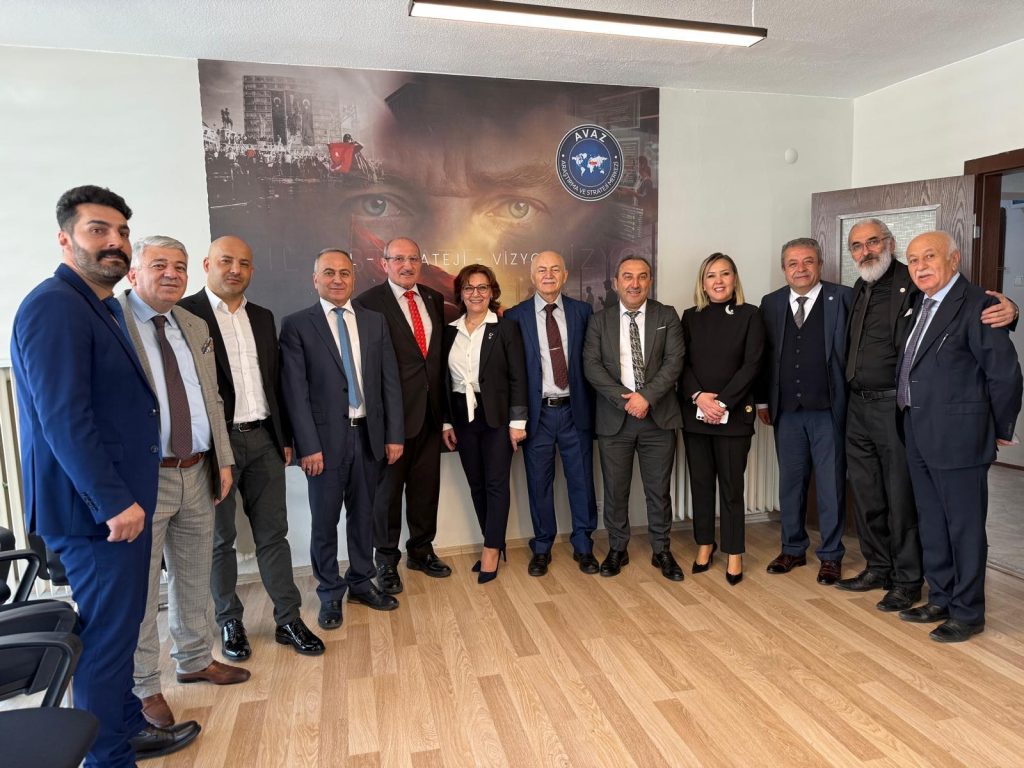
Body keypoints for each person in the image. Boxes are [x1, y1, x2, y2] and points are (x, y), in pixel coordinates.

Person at [11, 186, 199, 765]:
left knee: (119, 629)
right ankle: (108, 756)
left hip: (112, 506)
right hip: (95, 513)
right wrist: (113, 500)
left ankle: (123, 727)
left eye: (121, 232)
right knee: (107, 640)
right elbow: (64, 418)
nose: (114, 241)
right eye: (98, 230)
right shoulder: (54, 306)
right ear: (65, 239)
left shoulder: (98, 305)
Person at [838, 219, 1018, 611]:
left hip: (923, 418)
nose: (866, 251)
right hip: (883, 414)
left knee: (925, 510)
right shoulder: (877, 292)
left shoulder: (933, 289)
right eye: (857, 246)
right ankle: (907, 581)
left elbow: (997, 362)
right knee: (895, 504)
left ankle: (931, 593)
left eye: (873, 242)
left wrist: (1012, 310)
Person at [119, 236, 249, 733]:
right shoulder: (113, 322)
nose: (172, 274)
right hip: (143, 478)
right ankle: (143, 686)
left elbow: (210, 397)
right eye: (159, 265)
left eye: (179, 265)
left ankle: (194, 658)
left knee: (194, 573)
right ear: (133, 273)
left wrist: (223, 459)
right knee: (141, 589)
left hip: (197, 468)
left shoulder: (192, 324)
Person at [178, 235, 324, 659]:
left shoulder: (262, 316)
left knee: (274, 534)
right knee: (219, 540)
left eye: (244, 263)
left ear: (252, 270)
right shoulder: (184, 315)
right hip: (214, 447)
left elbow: (274, 382)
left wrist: (284, 438)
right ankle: (230, 621)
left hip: (263, 440)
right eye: (226, 261)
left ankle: (288, 619)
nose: (235, 270)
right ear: (207, 264)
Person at [896, 231, 1022, 642]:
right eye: (913, 260)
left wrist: (998, 427)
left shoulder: (979, 304)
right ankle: (941, 597)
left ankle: (968, 612)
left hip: (960, 436)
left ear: (954, 259)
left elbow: (1005, 374)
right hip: (917, 429)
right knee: (932, 521)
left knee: (964, 527)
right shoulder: (919, 303)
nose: (920, 267)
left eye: (929, 257)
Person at [280, 249, 404, 629]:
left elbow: (389, 382)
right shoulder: (297, 325)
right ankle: (330, 593)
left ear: (354, 278)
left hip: (369, 436)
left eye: (344, 273)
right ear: (315, 279)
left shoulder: (374, 321)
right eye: (329, 273)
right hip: (323, 444)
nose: (337, 279)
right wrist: (308, 446)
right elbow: (294, 392)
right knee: (324, 522)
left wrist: (394, 434)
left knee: (364, 516)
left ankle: (362, 583)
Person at [354, 237, 452, 595]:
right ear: (384, 264)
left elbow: (436, 363)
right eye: (398, 259)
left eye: (413, 258)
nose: (407, 265)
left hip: (431, 415)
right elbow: (367, 369)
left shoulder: (433, 298)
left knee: (426, 490)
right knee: (387, 495)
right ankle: (386, 561)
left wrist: (446, 418)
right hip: (391, 421)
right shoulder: (367, 304)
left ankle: (421, 551)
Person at [583, 256, 686, 581]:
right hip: (615, 419)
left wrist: (646, 397)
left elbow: (674, 361)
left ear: (650, 281)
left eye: (642, 276)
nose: (635, 283)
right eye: (627, 276)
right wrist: (625, 400)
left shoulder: (666, 315)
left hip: (658, 418)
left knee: (658, 490)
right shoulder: (599, 321)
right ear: (616, 282)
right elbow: (591, 366)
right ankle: (617, 548)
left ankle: (661, 550)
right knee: (615, 491)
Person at [758, 238, 851, 585]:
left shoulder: (844, 298)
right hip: (787, 411)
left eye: (808, 261)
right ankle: (793, 548)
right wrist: (763, 401)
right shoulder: (771, 303)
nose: (801, 269)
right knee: (791, 484)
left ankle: (831, 555)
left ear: (820, 265)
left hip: (828, 410)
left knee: (830, 485)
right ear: (784, 268)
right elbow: (764, 357)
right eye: (793, 263)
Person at [505, 251, 599, 576]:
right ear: (532, 276)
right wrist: (516, 417)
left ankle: (584, 545)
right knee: (538, 483)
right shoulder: (514, 316)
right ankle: (542, 547)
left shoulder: (582, 312)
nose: (548, 275)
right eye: (542, 270)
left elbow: (592, 363)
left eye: (555, 269)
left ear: (565, 274)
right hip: (538, 414)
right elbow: (512, 373)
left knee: (582, 481)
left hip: (575, 411)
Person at [679, 253, 765, 586]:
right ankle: (705, 543)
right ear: (702, 283)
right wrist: (700, 397)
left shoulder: (751, 315)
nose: (718, 281)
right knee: (701, 484)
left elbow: (752, 365)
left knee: (731, 488)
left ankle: (734, 551)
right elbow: (681, 365)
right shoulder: (690, 317)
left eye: (725, 274)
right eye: (711, 275)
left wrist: (723, 403)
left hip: (734, 416)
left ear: (734, 279)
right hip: (696, 414)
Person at [441, 265, 528, 583]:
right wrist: (446, 422)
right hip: (462, 417)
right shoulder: (449, 331)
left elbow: (518, 376)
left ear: (492, 292)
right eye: (468, 288)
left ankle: (491, 549)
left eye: (482, 287)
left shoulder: (505, 328)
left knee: (495, 484)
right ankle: (492, 541)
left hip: (497, 418)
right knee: (476, 484)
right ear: (460, 294)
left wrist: (518, 422)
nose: (475, 293)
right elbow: (442, 381)